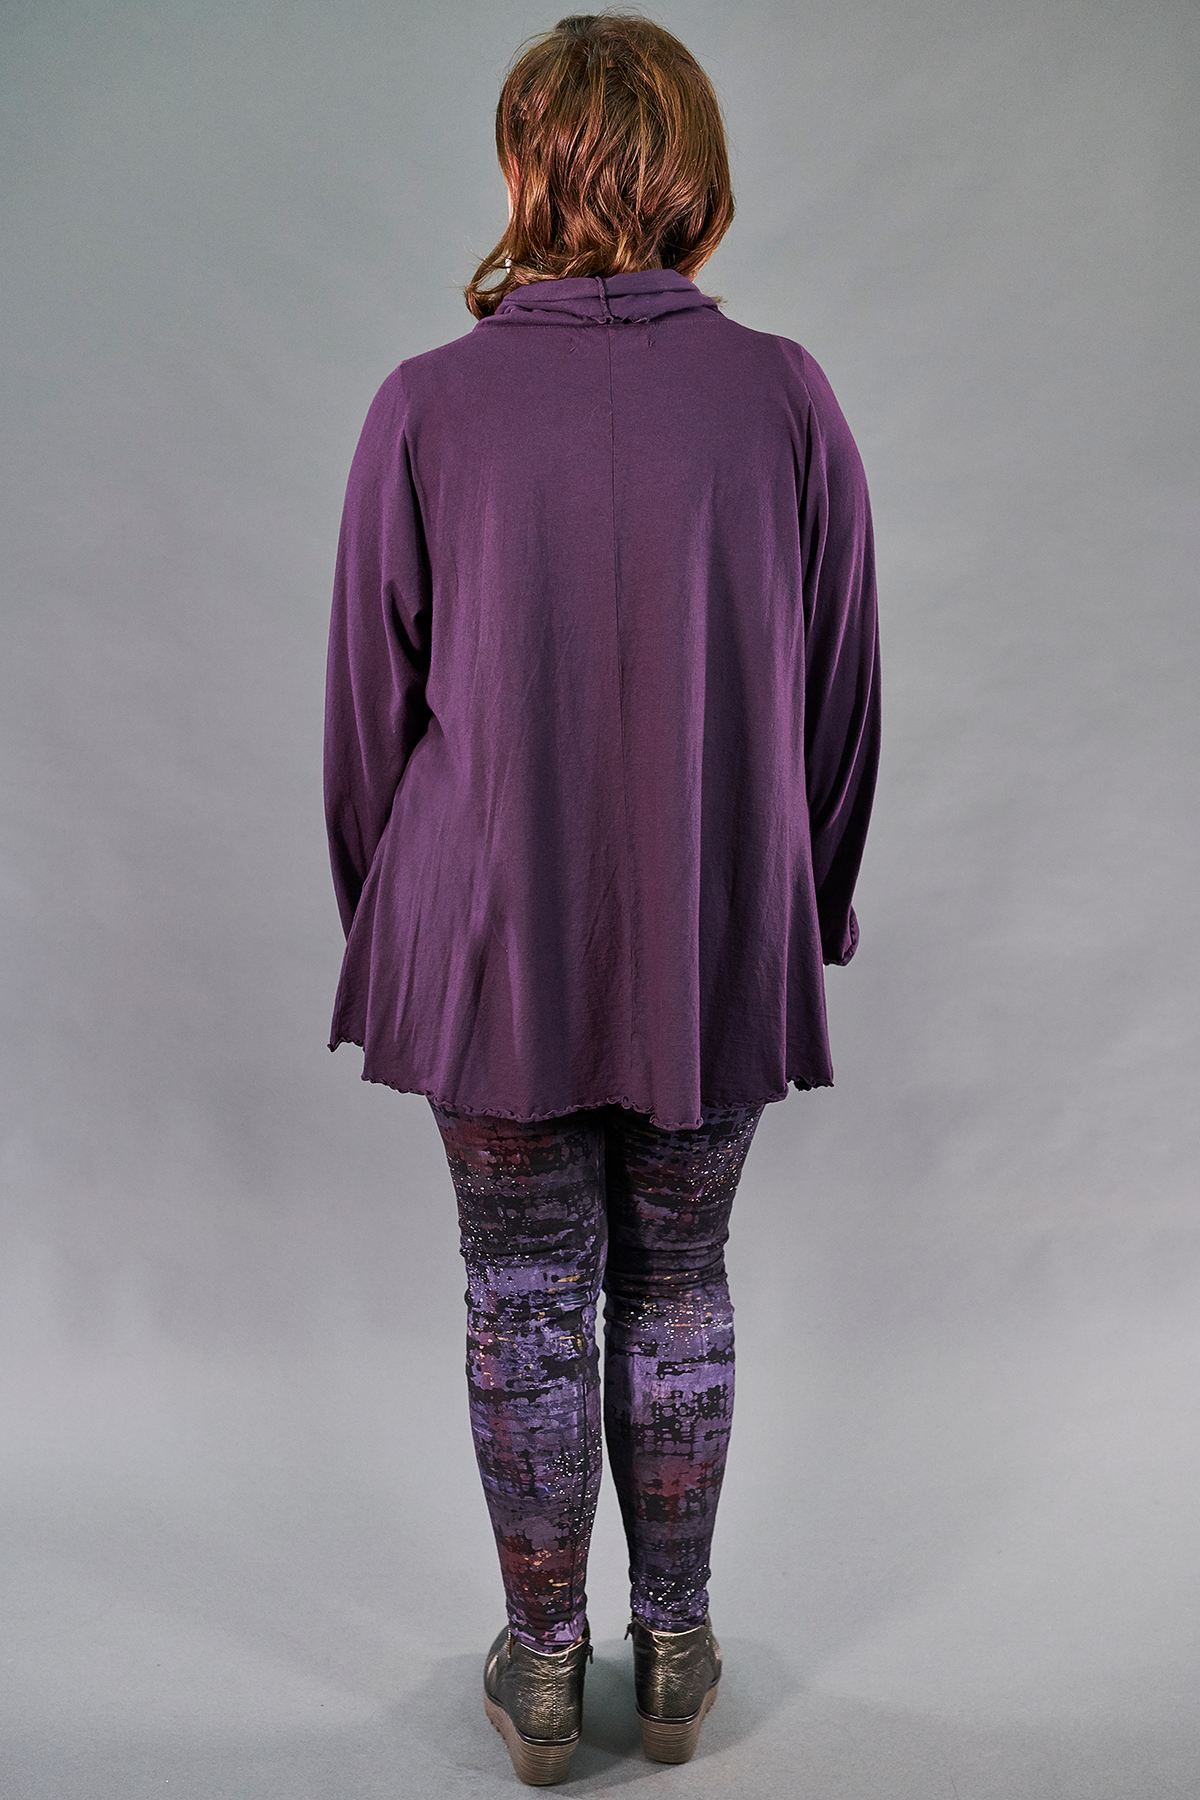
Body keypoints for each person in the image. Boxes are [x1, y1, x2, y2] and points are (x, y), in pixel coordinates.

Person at [323, 12, 880, 1786]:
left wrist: (395, 929)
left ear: (525, 166)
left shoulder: (427, 401)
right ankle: (681, 1648)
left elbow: (367, 713)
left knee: (521, 1294)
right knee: (682, 1280)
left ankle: (549, 1668)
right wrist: (803, 907)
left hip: (484, 930)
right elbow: (842, 689)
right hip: (714, 923)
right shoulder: (786, 395)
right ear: (693, 172)